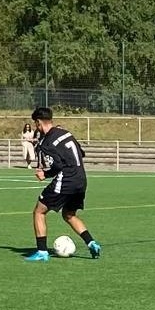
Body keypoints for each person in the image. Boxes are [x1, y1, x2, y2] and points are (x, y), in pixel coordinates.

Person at [24, 106, 100, 261]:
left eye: (35, 124)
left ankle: (42, 251)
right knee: (69, 214)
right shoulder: (66, 133)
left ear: (38, 122)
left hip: (67, 179)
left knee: (39, 211)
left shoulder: (47, 142)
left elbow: (57, 166)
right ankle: (91, 243)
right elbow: (81, 153)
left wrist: (45, 174)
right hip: (81, 179)